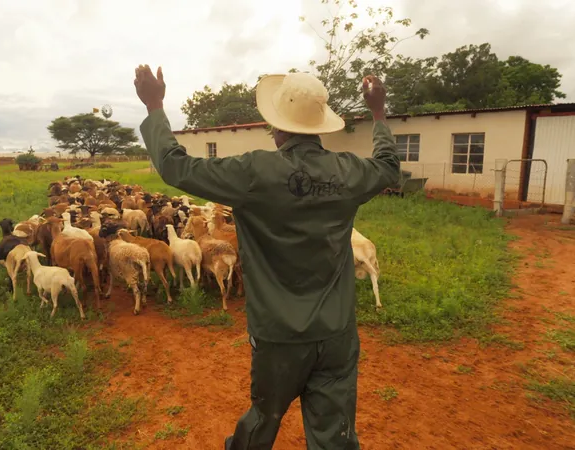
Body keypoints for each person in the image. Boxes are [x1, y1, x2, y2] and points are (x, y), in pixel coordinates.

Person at [134, 65, 401, 450]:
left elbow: (176, 166)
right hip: (337, 333)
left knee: (263, 418)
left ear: (277, 126)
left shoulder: (254, 173)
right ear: (320, 125)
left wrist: (155, 106)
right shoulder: (349, 172)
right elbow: (389, 166)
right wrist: (378, 113)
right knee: (335, 436)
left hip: (279, 336)